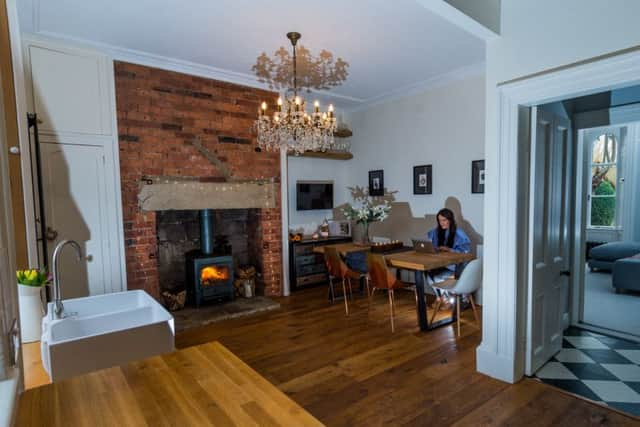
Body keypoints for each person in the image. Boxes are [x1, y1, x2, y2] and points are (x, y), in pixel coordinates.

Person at [426, 208, 471, 306]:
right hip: (442, 264)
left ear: (450, 220)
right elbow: (429, 240)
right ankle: (440, 298)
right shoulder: (437, 231)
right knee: (428, 274)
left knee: (437, 277)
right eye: (439, 220)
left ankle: (446, 300)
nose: (441, 223)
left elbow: (465, 252)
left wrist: (449, 249)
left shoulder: (459, 233)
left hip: (455, 268)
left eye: (444, 220)